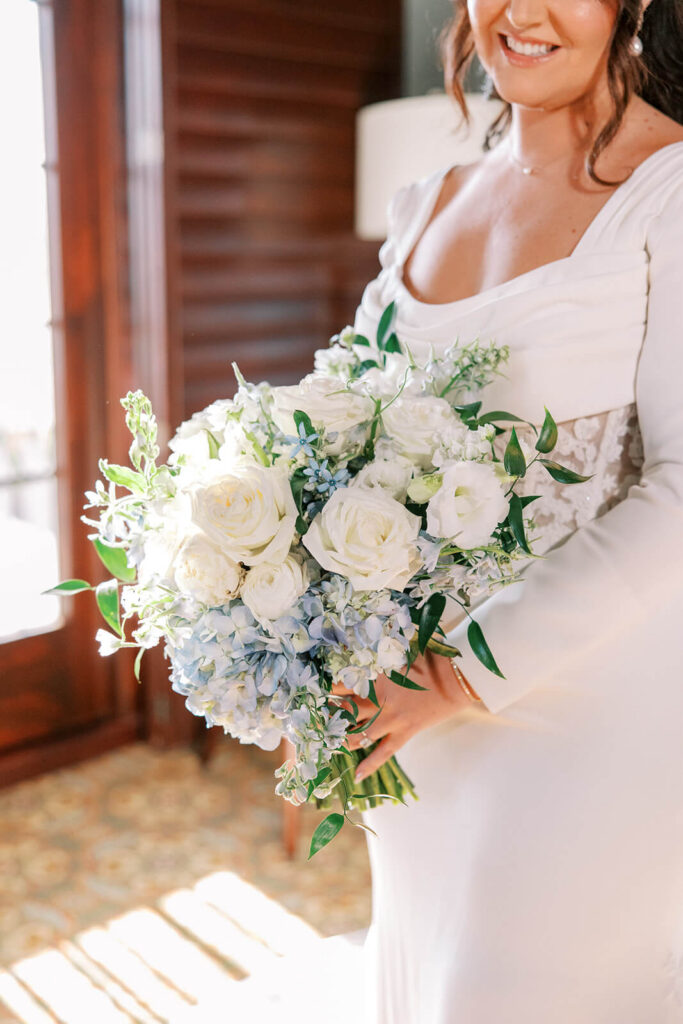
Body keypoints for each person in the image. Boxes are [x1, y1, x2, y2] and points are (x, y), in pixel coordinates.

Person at [346, 1, 683, 1020]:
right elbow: (342, 440)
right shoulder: (425, 200)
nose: (523, 10)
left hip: (587, 715)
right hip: (414, 724)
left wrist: (460, 674)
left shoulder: (667, 194)